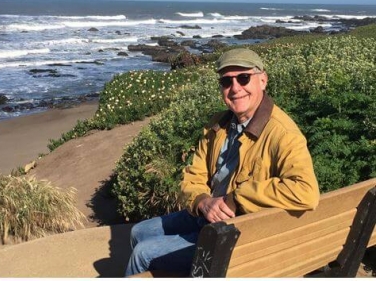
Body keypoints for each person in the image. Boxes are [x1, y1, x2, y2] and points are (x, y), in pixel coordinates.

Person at [125, 48, 320, 276]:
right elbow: (193, 174)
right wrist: (202, 201)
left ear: (263, 80)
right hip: (206, 215)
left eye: (243, 78)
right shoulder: (218, 124)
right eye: (227, 81)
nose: (235, 88)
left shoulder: (282, 133)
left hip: (237, 232)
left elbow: (306, 191)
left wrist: (236, 199)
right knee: (139, 232)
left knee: (143, 253)